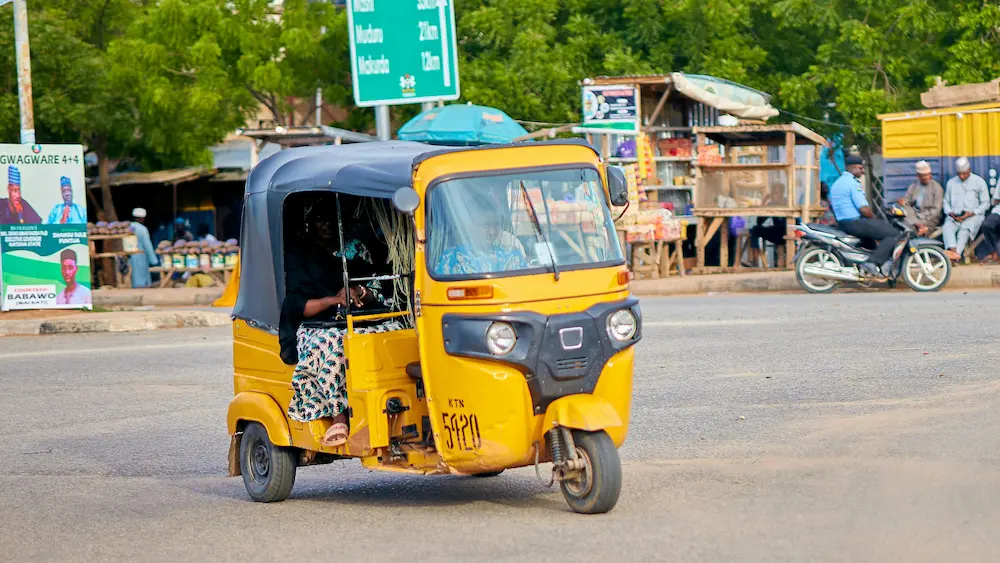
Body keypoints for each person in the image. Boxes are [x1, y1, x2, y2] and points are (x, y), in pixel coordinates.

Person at [280, 200, 401, 447]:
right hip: (317, 325)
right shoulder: (300, 255)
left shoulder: (356, 249)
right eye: (319, 219)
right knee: (333, 344)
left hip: (360, 317)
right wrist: (333, 299)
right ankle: (340, 414)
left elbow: (378, 286)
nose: (326, 224)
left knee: (397, 332)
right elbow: (297, 305)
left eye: (330, 218)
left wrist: (360, 292)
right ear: (310, 224)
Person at [829, 154, 900, 277]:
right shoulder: (852, 183)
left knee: (873, 239)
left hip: (843, 223)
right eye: (860, 168)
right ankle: (872, 263)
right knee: (894, 234)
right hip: (855, 223)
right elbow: (864, 210)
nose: (862, 171)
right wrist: (875, 219)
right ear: (852, 168)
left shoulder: (837, 183)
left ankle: (869, 266)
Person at [435, 200, 530, 275]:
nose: (492, 231)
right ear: (471, 227)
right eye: (485, 226)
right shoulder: (451, 258)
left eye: (496, 225)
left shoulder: (512, 255)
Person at [941, 156, 990, 261]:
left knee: (964, 230)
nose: (962, 176)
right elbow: (945, 202)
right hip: (955, 217)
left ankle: (955, 255)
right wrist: (950, 213)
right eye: (959, 174)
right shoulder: (951, 183)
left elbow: (986, 203)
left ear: (969, 170)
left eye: (964, 173)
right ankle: (953, 254)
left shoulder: (979, 182)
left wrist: (971, 213)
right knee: (947, 228)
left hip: (973, 216)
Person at [896, 160, 944, 236]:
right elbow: (907, 201)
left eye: (928, 174)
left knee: (909, 227)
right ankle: (917, 225)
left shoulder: (937, 188)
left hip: (929, 218)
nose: (927, 177)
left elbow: (936, 211)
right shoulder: (914, 186)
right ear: (918, 176)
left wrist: (921, 219)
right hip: (914, 215)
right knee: (898, 217)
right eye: (924, 175)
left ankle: (919, 227)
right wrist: (903, 202)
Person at [128, 208, 159, 288]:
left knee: (132, 278)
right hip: (141, 258)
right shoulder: (143, 229)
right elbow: (147, 245)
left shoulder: (128, 227)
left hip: (130, 258)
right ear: (142, 218)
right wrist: (154, 261)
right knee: (142, 279)